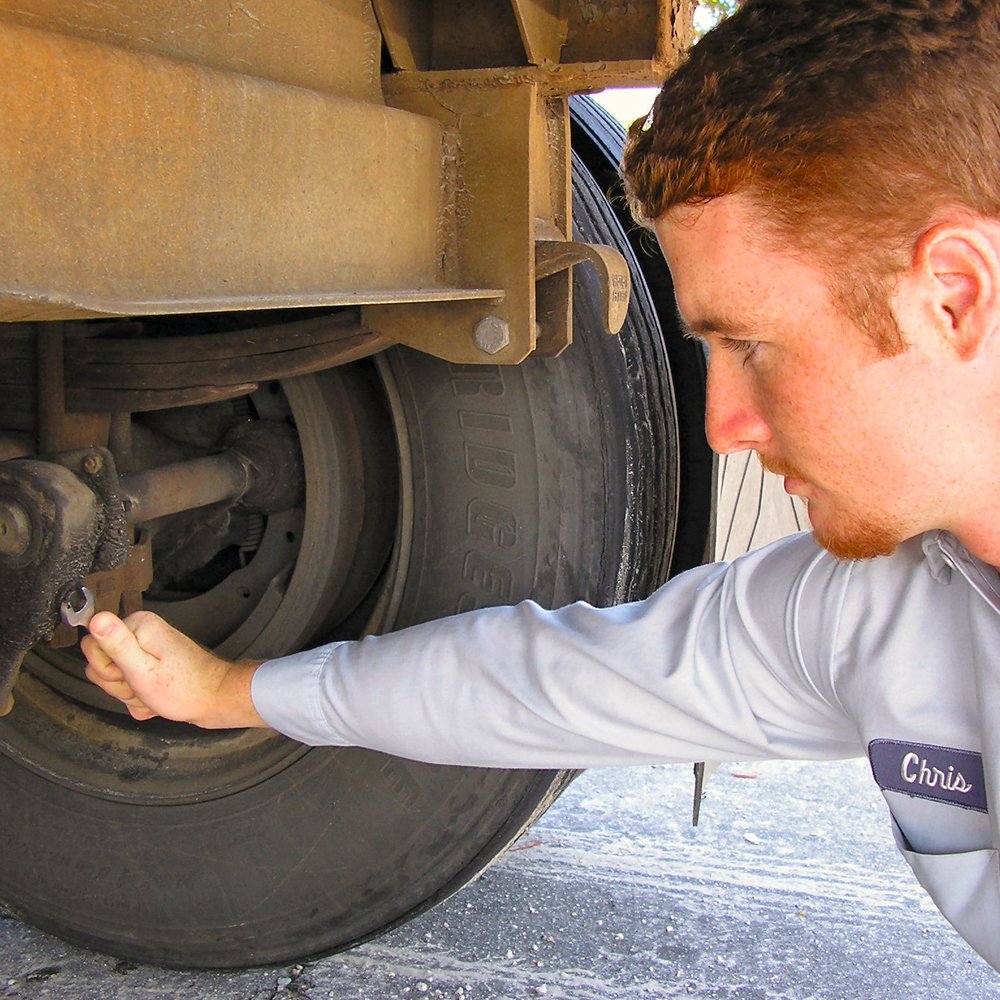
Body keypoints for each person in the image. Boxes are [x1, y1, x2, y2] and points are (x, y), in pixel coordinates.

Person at [82, 0, 1000, 972]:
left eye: (751, 345)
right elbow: (540, 679)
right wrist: (234, 691)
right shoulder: (869, 609)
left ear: (952, 293)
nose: (722, 423)